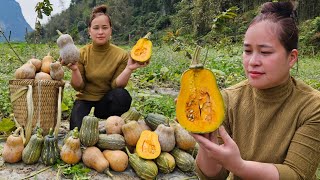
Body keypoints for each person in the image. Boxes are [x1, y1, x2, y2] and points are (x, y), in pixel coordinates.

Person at [191, 2, 320, 179]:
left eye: (265, 52)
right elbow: (214, 175)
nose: (252, 61)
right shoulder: (228, 99)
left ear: (291, 58)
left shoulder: (313, 107)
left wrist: (239, 166)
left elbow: (296, 174)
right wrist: (207, 140)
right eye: (247, 51)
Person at [62, 4, 149, 130]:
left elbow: (116, 85)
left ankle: (111, 125)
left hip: (106, 102)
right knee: (76, 132)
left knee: (122, 96)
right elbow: (78, 86)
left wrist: (129, 69)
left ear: (110, 30)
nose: (101, 32)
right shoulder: (81, 53)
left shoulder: (121, 55)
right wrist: (75, 69)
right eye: (96, 28)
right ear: (89, 31)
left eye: (105, 28)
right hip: (85, 100)